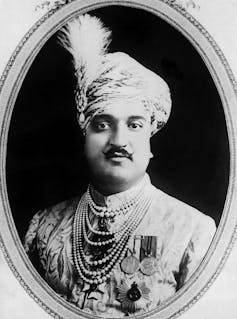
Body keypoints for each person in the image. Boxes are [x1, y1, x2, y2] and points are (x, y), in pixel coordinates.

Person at [24, 14, 216, 317]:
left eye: (135, 125)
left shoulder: (193, 232)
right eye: (102, 124)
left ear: (150, 137)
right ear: (84, 131)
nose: (119, 140)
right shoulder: (43, 227)